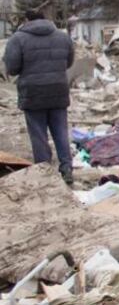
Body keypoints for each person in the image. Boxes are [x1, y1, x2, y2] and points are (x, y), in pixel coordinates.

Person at [3, 10, 75, 184]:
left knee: (38, 134)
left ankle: (44, 173)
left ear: (27, 20)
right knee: (60, 132)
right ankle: (66, 170)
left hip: (33, 92)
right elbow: (69, 62)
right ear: (46, 19)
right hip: (58, 89)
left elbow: (12, 68)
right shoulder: (63, 37)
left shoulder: (17, 39)